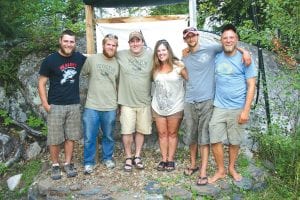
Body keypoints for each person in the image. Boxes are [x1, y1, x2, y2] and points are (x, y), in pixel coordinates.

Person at [181, 27, 251, 185]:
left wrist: (245, 51)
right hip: (193, 100)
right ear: (185, 39)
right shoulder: (184, 54)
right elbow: (184, 70)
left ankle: (207, 170)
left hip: (208, 100)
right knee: (193, 135)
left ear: (198, 36)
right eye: (188, 37)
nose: (191, 39)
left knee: (206, 137)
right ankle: (195, 165)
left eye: (193, 35)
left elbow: (229, 44)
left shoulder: (211, 49)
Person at [208, 24, 256, 183]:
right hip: (219, 106)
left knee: (234, 141)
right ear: (221, 40)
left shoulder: (245, 60)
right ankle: (221, 170)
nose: (228, 40)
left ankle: (232, 168)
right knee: (214, 138)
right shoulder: (217, 56)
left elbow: (251, 85)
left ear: (237, 39)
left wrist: (246, 111)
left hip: (237, 107)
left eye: (231, 37)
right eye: (225, 38)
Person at [38, 30, 86, 180]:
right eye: (66, 41)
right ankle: (55, 165)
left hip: (73, 104)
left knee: (70, 137)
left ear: (75, 43)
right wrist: (45, 104)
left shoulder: (79, 58)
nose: (69, 44)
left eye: (71, 42)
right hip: (56, 105)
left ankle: (68, 163)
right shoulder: (50, 60)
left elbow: (95, 60)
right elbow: (41, 83)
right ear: (60, 41)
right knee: (54, 138)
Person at [81, 34, 119, 174]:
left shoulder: (117, 63)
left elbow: (119, 84)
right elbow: (81, 73)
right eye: (108, 44)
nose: (111, 47)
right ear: (103, 45)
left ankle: (107, 158)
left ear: (116, 47)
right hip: (92, 105)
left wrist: (118, 104)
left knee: (108, 135)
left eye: (114, 45)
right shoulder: (92, 60)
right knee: (90, 136)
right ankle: (88, 162)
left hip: (110, 106)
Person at [117, 31, 153, 172]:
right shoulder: (121, 54)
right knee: (126, 131)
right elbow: (106, 54)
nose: (135, 43)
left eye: (138, 40)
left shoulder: (151, 55)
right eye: (132, 41)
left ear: (143, 42)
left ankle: (137, 155)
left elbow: (166, 58)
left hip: (144, 102)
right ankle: (128, 156)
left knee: (140, 131)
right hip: (126, 102)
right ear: (129, 43)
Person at [151, 39, 188, 172]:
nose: (161, 53)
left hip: (176, 106)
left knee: (172, 133)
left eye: (163, 50)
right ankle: (164, 158)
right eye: (159, 50)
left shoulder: (178, 66)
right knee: (162, 134)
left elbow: (190, 79)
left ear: (168, 51)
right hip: (158, 106)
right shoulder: (154, 68)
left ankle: (171, 159)